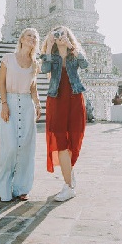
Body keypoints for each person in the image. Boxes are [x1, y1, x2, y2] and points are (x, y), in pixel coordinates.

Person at [40, 26, 88, 202]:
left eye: (63, 34)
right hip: (57, 100)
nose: (60, 37)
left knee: (74, 139)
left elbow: (85, 64)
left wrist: (71, 46)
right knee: (60, 141)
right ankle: (68, 186)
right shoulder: (51, 56)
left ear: (68, 36)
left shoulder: (74, 53)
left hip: (74, 99)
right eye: (57, 34)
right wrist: (47, 46)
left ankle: (70, 173)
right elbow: (44, 69)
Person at [0, 28, 42, 202]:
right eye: (29, 35)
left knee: (26, 147)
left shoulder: (34, 64)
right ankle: (4, 187)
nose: (32, 38)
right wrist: (4, 104)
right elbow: (1, 82)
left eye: (35, 37)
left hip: (27, 105)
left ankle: (22, 188)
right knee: (10, 147)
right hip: (10, 102)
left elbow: (33, 87)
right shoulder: (8, 58)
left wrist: (38, 104)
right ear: (22, 38)